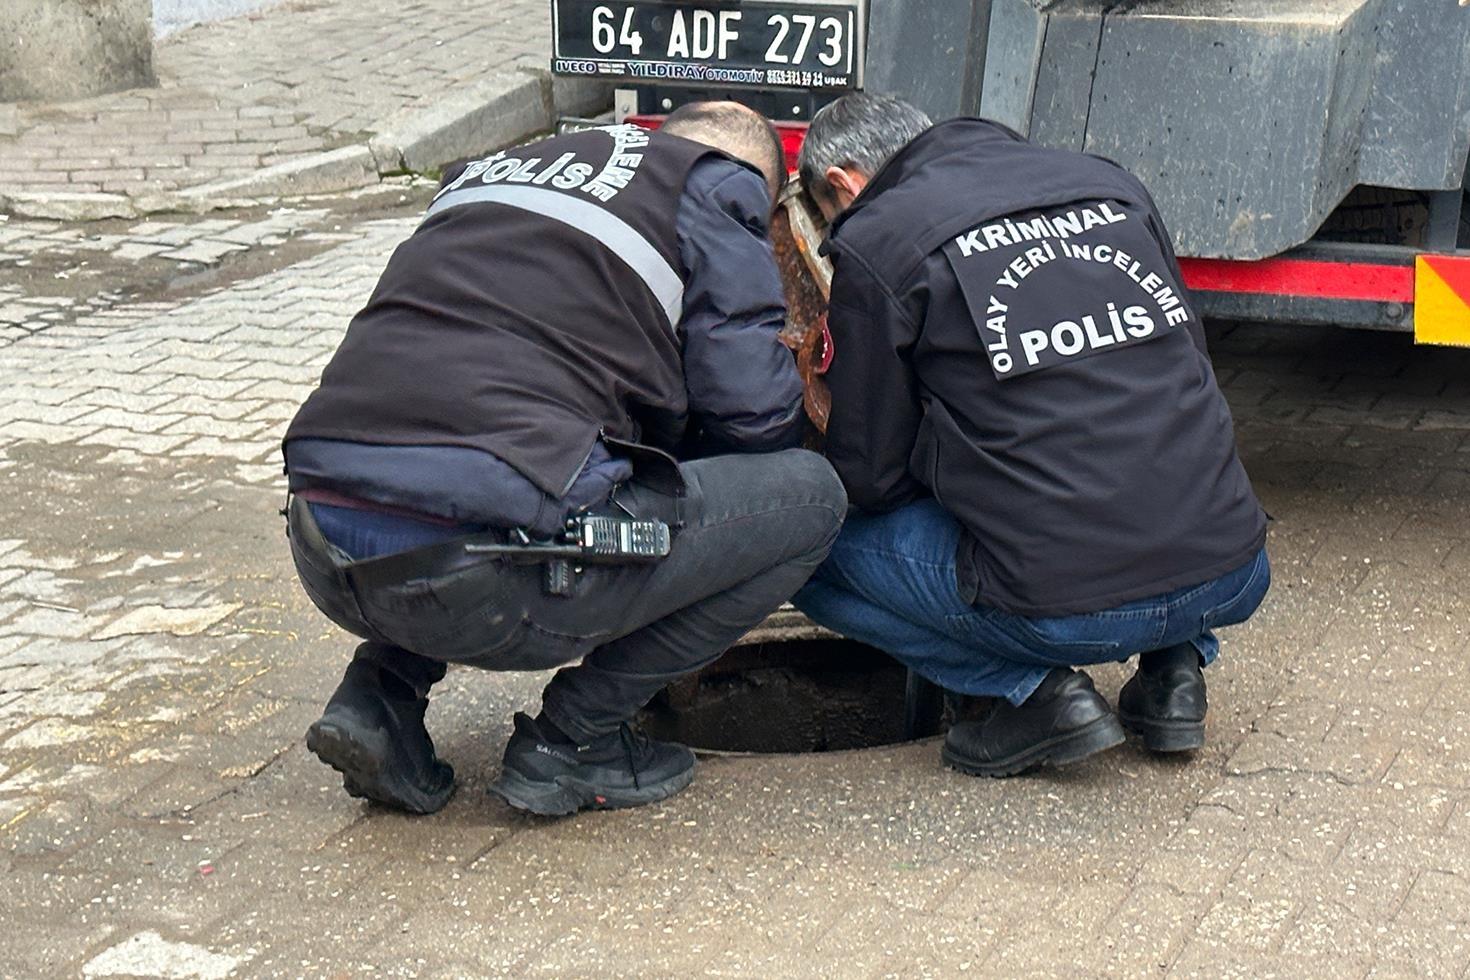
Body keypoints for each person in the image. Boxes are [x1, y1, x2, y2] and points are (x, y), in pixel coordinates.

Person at [282, 102, 846, 816]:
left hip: (321, 543)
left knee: (451, 469)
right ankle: (576, 741)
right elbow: (753, 417)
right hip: (491, 579)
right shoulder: (716, 185)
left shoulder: (496, 172)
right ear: (757, 184)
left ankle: (379, 697)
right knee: (809, 500)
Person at [793, 93, 1270, 777]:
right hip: (1233, 570)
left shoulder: (881, 238)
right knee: (1133, 439)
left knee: (804, 545)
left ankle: (1034, 697)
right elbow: (1181, 368)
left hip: (1070, 613)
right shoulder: (1110, 184)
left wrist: (946, 464)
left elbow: (868, 477)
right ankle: (1175, 672)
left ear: (842, 184)